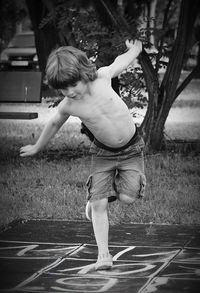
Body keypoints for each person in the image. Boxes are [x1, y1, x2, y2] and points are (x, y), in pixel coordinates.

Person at [20, 39, 146, 271]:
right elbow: (55, 122)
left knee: (128, 199)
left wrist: (135, 50)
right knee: (99, 204)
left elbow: (120, 63)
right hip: (102, 153)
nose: (70, 92)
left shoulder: (102, 77)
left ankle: (106, 194)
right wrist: (37, 147)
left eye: (73, 85)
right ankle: (103, 256)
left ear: (84, 72)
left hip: (132, 150)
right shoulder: (69, 105)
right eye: (63, 89)